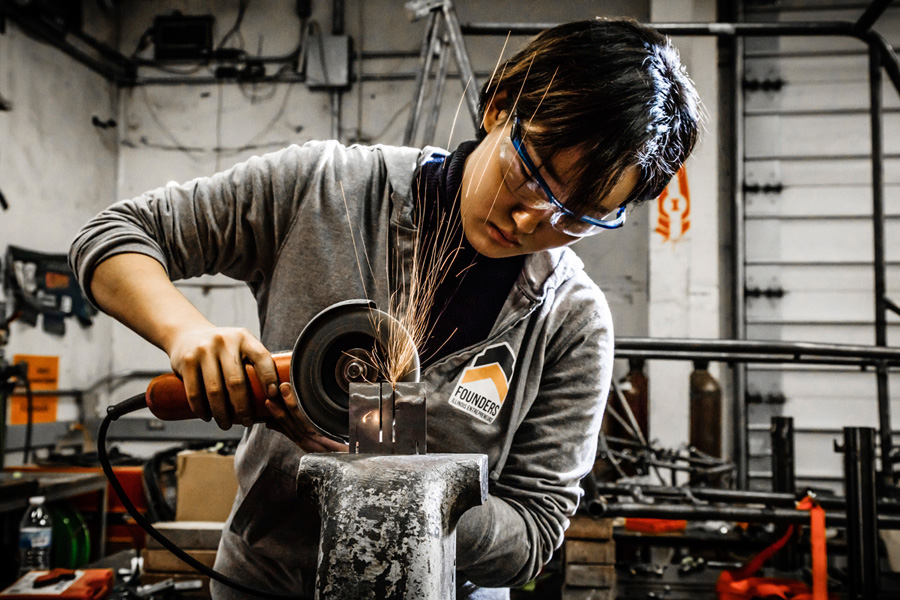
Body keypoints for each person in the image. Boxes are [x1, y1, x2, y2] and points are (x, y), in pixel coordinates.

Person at [70, 17, 700, 599]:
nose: (533, 218)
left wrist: (404, 489)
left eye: (579, 215)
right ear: (498, 107)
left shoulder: (570, 322)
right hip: (270, 582)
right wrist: (187, 334)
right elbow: (114, 235)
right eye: (530, 172)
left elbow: (534, 533)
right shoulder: (324, 190)